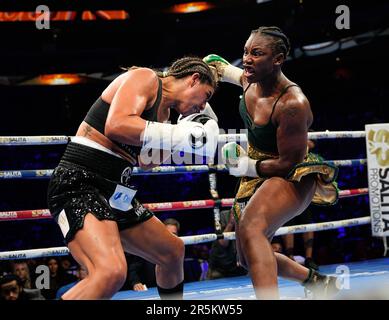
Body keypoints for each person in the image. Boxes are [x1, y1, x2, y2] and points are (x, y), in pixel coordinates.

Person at [47, 56, 219, 300]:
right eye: (207, 95)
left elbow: (148, 163)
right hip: (81, 182)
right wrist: (178, 133)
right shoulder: (145, 78)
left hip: (116, 192)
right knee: (111, 272)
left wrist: (190, 128)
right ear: (194, 80)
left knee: (172, 251)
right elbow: (116, 125)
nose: (203, 106)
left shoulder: (165, 114)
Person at [204, 26, 339, 299]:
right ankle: (316, 281)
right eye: (245, 52)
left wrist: (245, 166)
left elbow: (288, 163)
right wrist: (199, 71)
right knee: (247, 256)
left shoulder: (292, 104)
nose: (247, 59)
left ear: (277, 59)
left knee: (253, 229)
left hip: (293, 173)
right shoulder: (248, 80)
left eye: (257, 53)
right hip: (257, 170)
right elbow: (214, 64)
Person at [207, 209, 247, 280]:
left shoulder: (248, 215)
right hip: (220, 267)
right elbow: (222, 243)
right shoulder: (223, 215)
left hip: (238, 268)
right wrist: (231, 223)